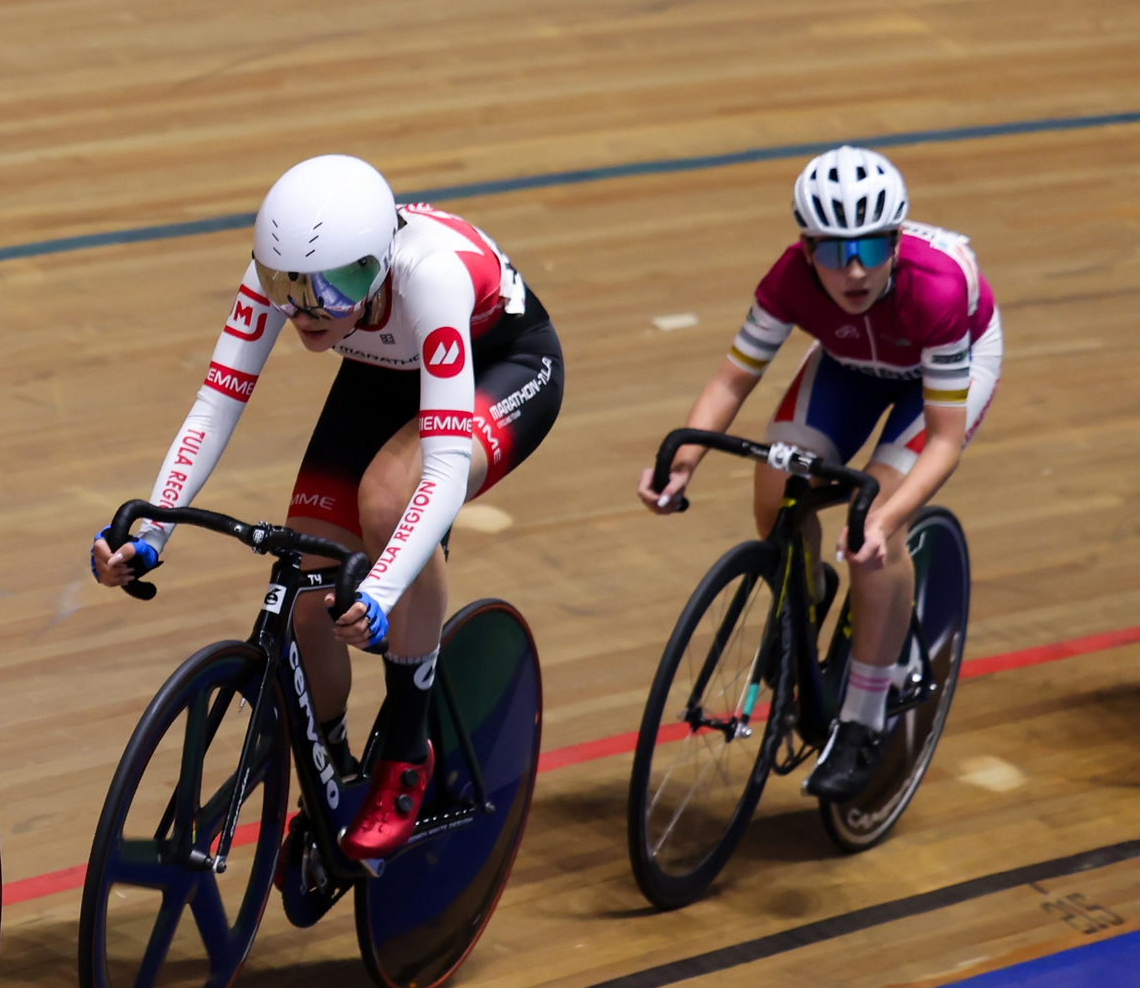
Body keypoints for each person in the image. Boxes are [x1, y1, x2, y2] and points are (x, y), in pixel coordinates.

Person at [93, 155, 562, 860]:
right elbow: (214, 408)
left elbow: (437, 470)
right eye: (288, 286)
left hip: (502, 366)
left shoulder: (429, 275)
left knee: (388, 500)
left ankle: (408, 750)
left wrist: (381, 587)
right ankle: (332, 773)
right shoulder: (285, 282)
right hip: (384, 372)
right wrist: (153, 527)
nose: (307, 309)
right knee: (310, 598)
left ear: (375, 266)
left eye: (334, 286)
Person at [638, 146, 1000, 800]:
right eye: (834, 252)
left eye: (870, 247)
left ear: (894, 238)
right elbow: (731, 378)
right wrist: (682, 461)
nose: (855, 268)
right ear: (807, 250)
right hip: (850, 363)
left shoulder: (938, 289)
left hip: (941, 375)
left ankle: (861, 720)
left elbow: (943, 442)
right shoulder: (788, 280)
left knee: (872, 532)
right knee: (778, 491)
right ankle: (803, 597)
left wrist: (887, 516)